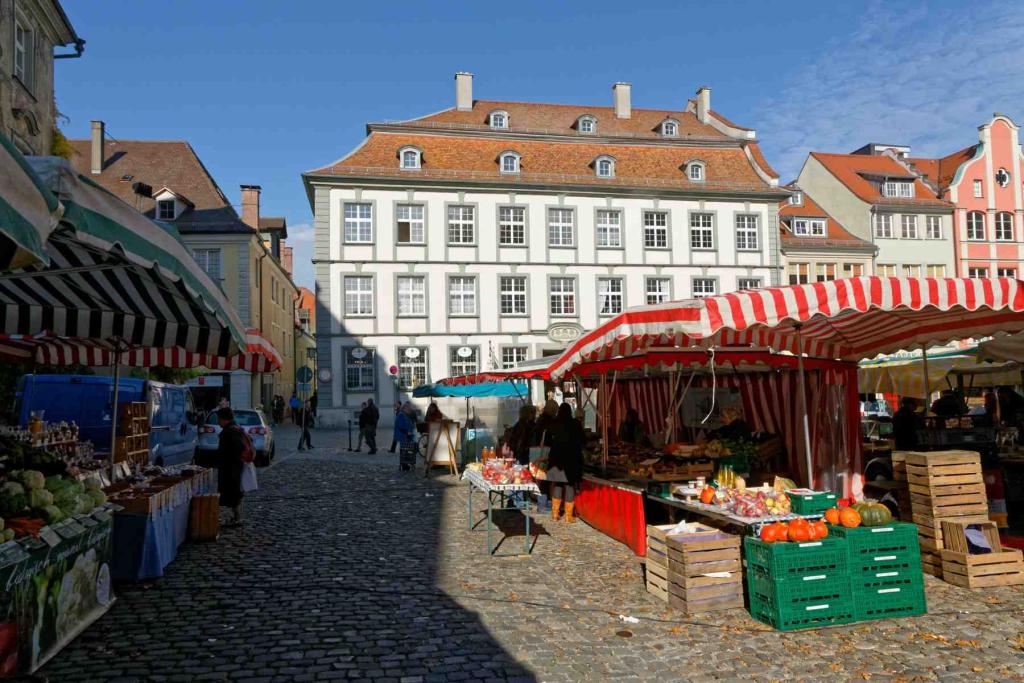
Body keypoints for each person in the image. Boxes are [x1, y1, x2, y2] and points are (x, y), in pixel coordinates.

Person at [545, 402, 584, 523]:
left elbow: (547, 441)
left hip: (556, 458)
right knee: (569, 485)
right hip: (571, 458)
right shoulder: (575, 423)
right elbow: (583, 440)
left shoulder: (553, 423)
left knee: (557, 484)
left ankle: (555, 513)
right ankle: (568, 516)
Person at [215, 407, 247, 527]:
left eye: (218, 419)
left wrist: (229, 459)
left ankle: (237, 518)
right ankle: (236, 517)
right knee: (233, 492)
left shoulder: (231, 431)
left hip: (231, 467)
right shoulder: (234, 428)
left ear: (224, 419)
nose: (218, 422)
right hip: (231, 466)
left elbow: (238, 448)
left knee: (233, 492)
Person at [395, 402, 417, 471]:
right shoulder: (401, 415)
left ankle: (405, 464)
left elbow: (408, 424)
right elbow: (400, 426)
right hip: (403, 435)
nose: (410, 410)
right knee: (404, 451)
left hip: (406, 436)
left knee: (406, 450)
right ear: (404, 408)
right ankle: (404, 465)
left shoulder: (405, 414)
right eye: (408, 408)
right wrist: (407, 433)